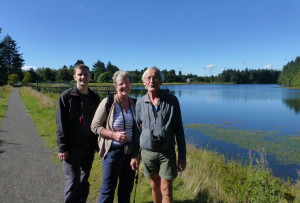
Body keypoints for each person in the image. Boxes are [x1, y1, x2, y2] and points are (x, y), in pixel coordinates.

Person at [130, 66, 187, 203]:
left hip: (166, 152)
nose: (151, 81)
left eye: (155, 77)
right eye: (148, 78)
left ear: (161, 81)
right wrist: (134, 155)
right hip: (147, 152)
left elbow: (179, 130)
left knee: (166, 187)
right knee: (154, 184)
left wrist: (182, 156)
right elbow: (138, 130)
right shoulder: (139, 103)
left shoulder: (172, 101)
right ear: (144, 82)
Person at [91, 70, 139, 203]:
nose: (124, 86)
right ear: (115, 86)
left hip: (130, 153)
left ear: (131, 84)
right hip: (112, 152)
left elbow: (138, 130)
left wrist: (136, 154)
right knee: (108, 189)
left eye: (127, 83)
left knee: (126, 189)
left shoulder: (135, 103)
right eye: (121, 83)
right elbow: (94, 126)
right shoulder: (107, 102)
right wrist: (114, 135)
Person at [56, 64, 100, 203]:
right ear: (75, 77)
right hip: (71, 147)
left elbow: (98, 122)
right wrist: (62, 147)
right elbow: (61, 123)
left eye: (86, 74)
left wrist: (98, 145)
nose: (83, 77)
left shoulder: (94, 97)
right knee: (73, 181)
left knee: (84, 179)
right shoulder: (66, 97)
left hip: (88, 147)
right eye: (80, 74)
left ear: (90, 76)